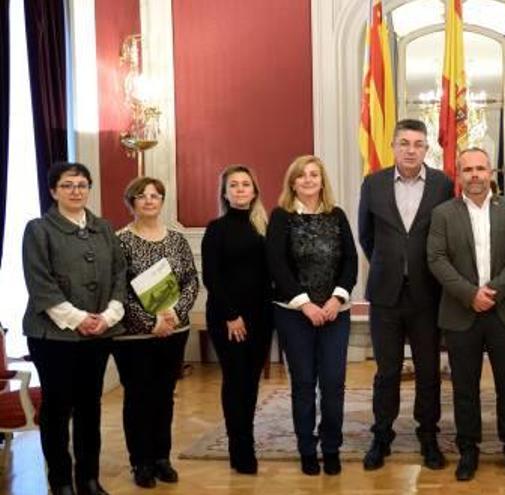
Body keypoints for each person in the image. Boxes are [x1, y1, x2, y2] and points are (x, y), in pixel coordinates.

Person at [427, 147, 505, 482]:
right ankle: (468, 450)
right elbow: (436, 258)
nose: (475, 175)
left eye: (481, 169)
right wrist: (470, 293)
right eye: (468, 170)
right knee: (464, 388)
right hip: (461, 312)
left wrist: (494, 291)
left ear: (492, 173)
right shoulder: (443, 212)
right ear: (458, 175)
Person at [22, 161, 126, 495]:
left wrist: (107, 316)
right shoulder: (38, 229)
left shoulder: (105, 228)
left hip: (99, 333)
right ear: (53, 191)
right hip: (52, 336)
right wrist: (79, 318)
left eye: (81, 185)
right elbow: (41, 284)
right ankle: (61, 482)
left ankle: (89, 479)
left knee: (89, 407)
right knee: (56, 408)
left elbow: (119, 276)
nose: (75, 191)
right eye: (67, 185)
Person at [358, 119, 454, 470]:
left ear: (426, 149)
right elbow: (365, 236)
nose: (411, 149)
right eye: (404, 143)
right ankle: (381, 436)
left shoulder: (443, 184)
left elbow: (448, 234)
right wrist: (392, 266)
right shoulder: (373, 183)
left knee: (429, 372)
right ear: (393, 146)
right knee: (387, 371)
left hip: (428, 295)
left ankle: (428, 436)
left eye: (418, 144)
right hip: (386, 294)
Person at [267, 155, 357, 476]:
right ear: (292, 183)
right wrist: (305, 304)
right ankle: (307, 448)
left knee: (333, 383)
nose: (308, 180)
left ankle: (331, 447)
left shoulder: (337, 216)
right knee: (304, 384)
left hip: (336, 313)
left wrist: (336, 299)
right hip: (294, 314)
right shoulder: (281, 217)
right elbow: (276, 264)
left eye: (314, 175)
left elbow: (350, 262)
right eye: (301, 176)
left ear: (322, 181)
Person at [114, 177, 199, 488]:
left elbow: (191, 280)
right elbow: (119, 291)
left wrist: (174, 315)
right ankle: (141, 462)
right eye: (142, 196)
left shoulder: (177, 239)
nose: (149, 201)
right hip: (134, 336)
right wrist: (150, 323)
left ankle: (162, 458)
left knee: (164, 396)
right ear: (131, 202)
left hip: (175, 330)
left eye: (155, 195)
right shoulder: (120, 240)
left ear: (162, 201)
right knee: (138, 397)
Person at [201, 165, 272, 474]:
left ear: (254, 191)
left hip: (262, 316)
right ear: (225, 193)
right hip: (228, 317)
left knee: (251, 382)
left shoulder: (264, 226)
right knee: (236, 380)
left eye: (246, 184)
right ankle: (239, 448)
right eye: (234, 185)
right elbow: (212, 277)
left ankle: (248, 438)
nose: (241, 189)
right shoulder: (216, 228)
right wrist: (232, 316)